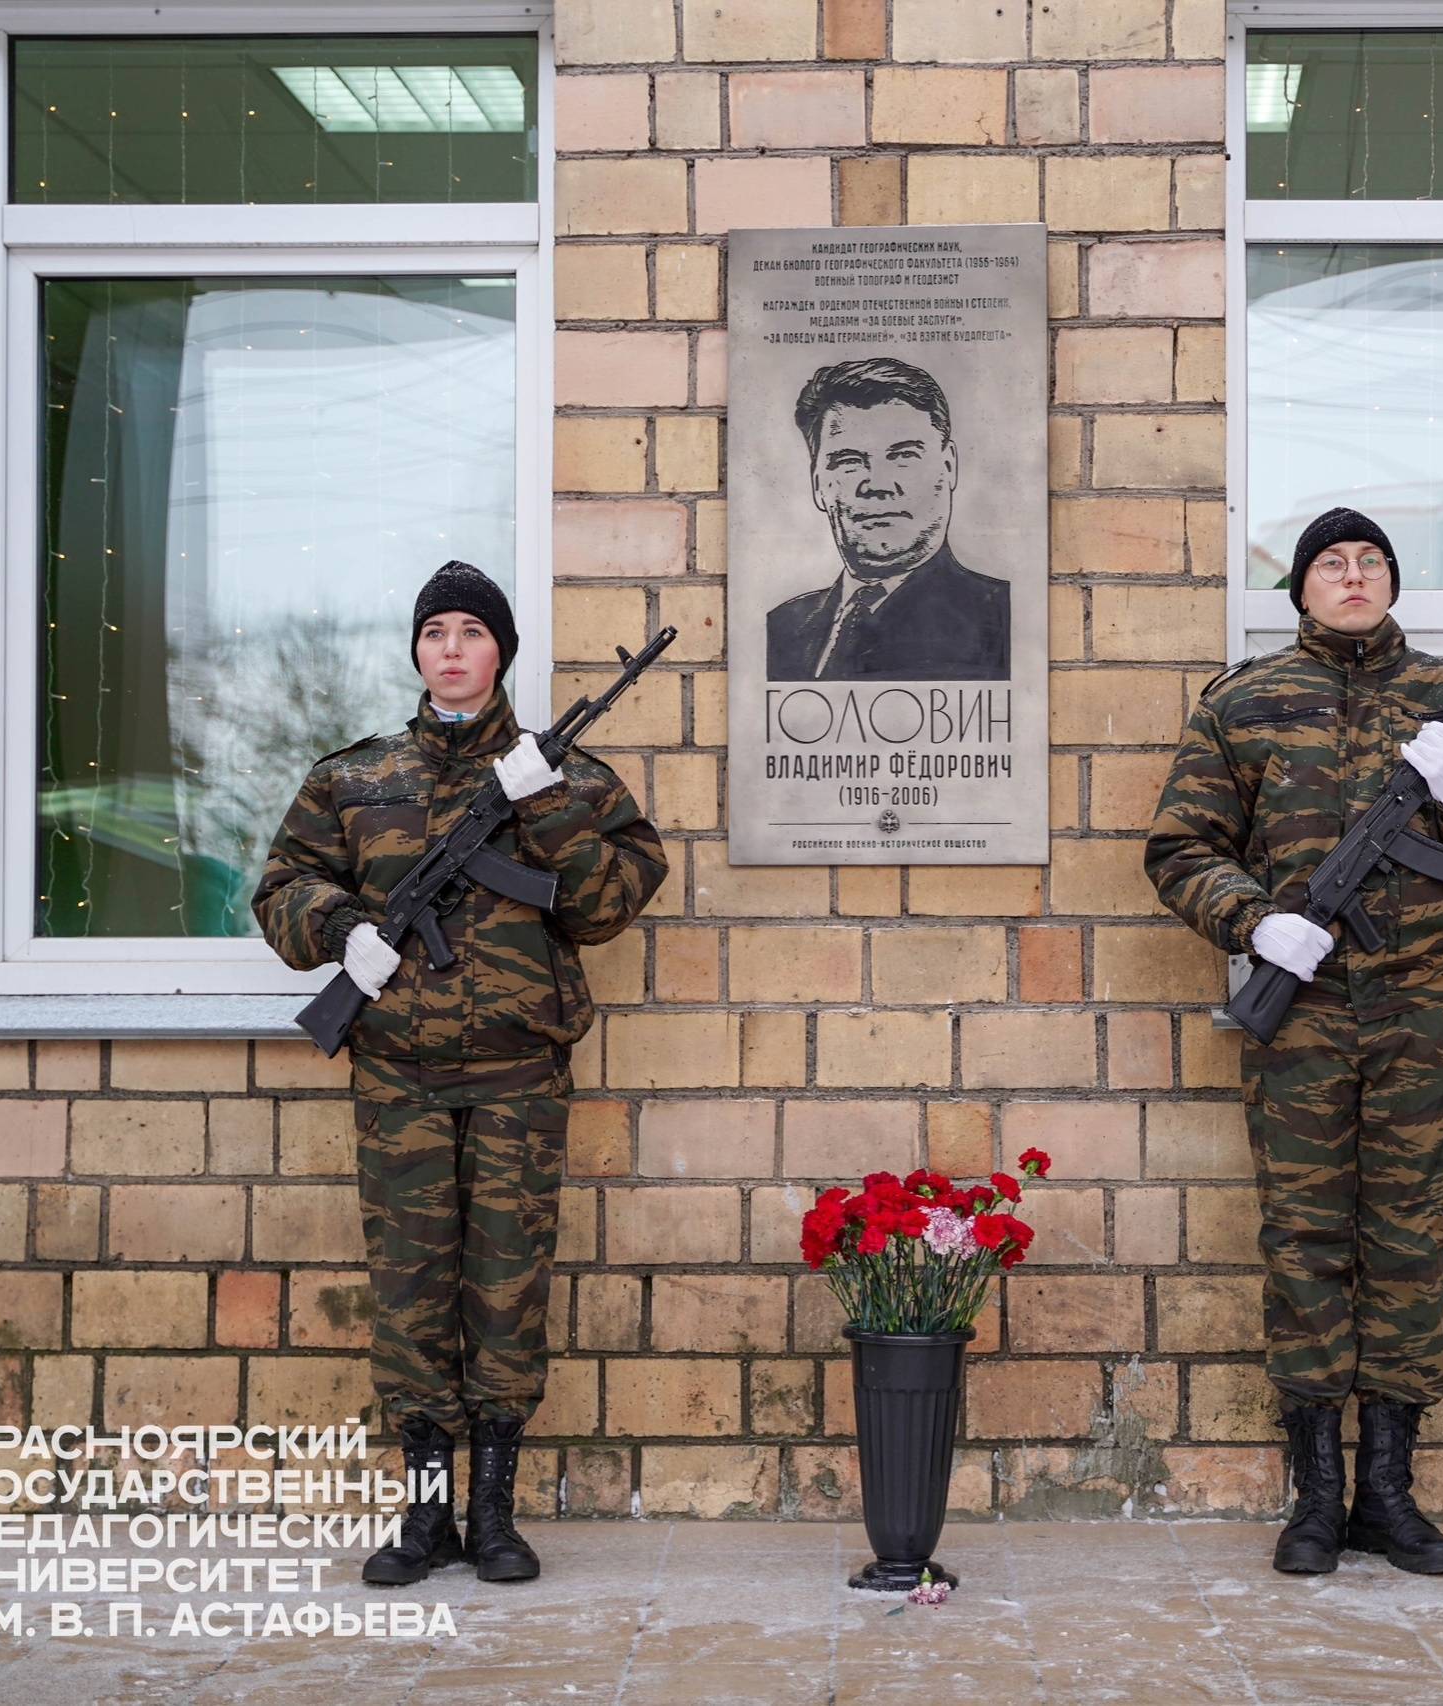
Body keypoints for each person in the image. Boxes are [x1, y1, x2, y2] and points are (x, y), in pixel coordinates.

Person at [254, 560, 666, 1587]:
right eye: (434, 630)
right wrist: (343, 929)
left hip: (519, 1076)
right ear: (416, 652)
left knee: (504, 1288)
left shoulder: (572, 778)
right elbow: (282, 885)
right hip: (399, 1077)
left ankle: (493, 1517)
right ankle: (424, 1514)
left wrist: (549, 804)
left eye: (471, 632)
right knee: (410, 1292)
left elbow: (606, 906)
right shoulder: (352, 775)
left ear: (500, 652)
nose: (450, 647)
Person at [1144, 509, 1443, 1578]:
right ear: (1302, 591)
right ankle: (1317, 1494)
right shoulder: (1243, 701)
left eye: (1371, 562)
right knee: (1306, 1240)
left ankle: (1390, 1493)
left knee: (1408, 1239)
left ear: (1392, 583)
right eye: (1332, 562)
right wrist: (1249, 919)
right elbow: (1179, 845)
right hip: (1305, 1018)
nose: (1353, 576)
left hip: (1418, 1012)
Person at [765, 356, 1010, 681]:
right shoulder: (780, 628)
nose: (878, 484)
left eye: (904, 456)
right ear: (818, 484)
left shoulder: (1003, 620)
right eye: (849, 460)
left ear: (948, 467)